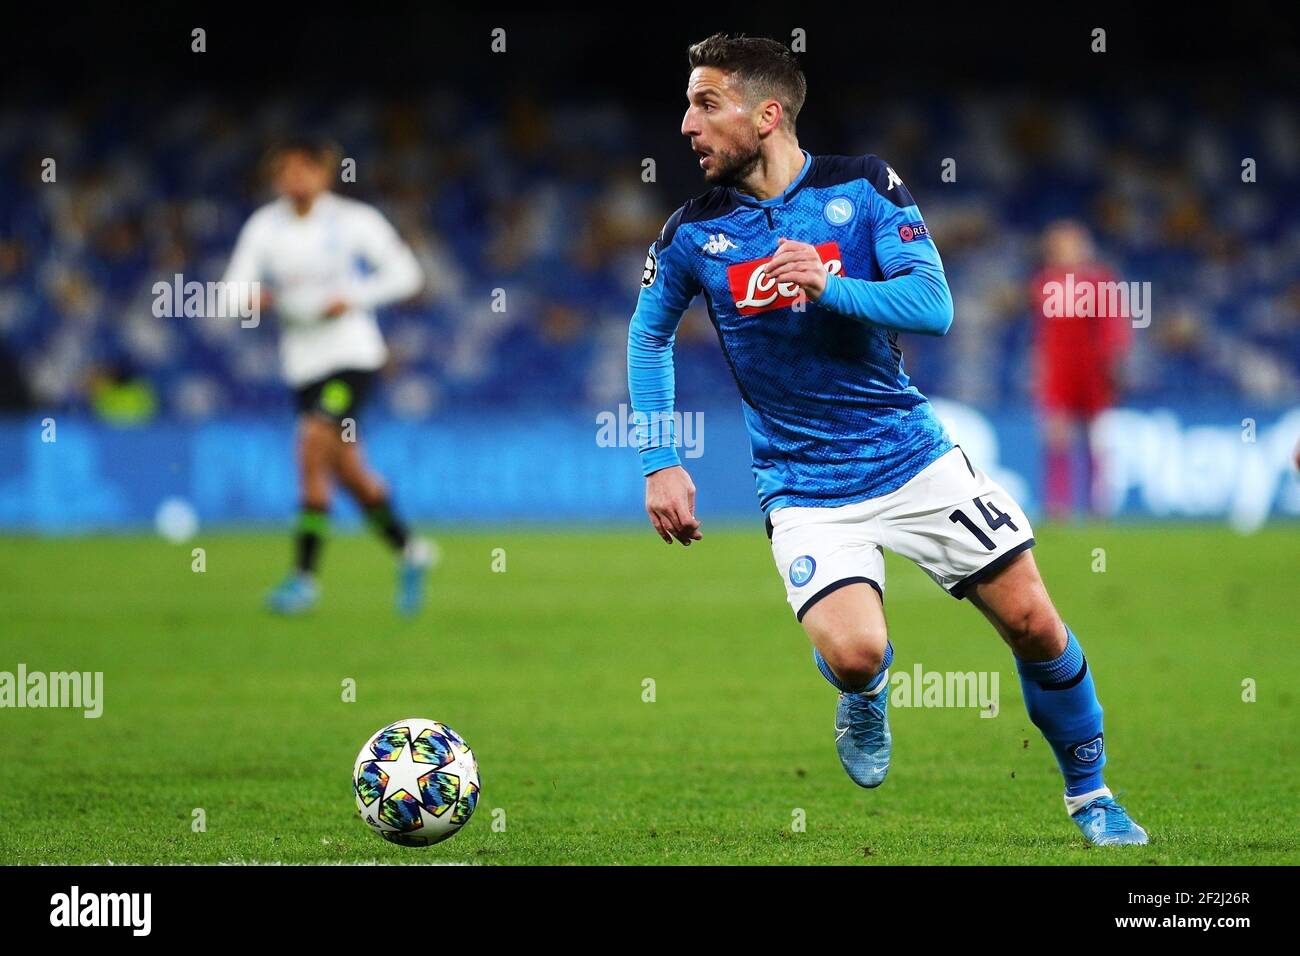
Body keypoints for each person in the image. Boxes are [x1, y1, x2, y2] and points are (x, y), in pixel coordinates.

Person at [626, 34, 1147, 845]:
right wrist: (661, 459)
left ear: (767, 114)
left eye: (705, 103)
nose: (687, 125)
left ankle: (1092, 795)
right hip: (803, 485)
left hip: (913, 458)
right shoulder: (694, 232)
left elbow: (932, 306)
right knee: (860, 652)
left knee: (1037, 625)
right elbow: (647, 335)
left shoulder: (864, 187)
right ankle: (861, 695)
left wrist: (831, 286)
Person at [223, 137, 433, 616]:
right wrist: (251, 299)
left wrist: (354, 296)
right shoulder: (264, 228)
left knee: (312, 444)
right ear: (276, 177)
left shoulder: (354, 220)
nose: (296, 180)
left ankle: (304, 579)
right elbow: (229, 291)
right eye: (287, 171)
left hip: (352, 357)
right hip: (302, 365)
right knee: (348, 472)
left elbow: (407, 275)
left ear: (325, 175)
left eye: (305, 170)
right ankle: (410, 550)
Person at [1029, 220, 1131, 518]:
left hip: (1093, 372)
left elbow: (1115, 326)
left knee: (1096, 441)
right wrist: (1040, 369)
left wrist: (1114, 362)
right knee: (1057, 438)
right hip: (1059, 372)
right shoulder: (1045, 283)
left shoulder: (1101, 281)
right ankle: (1058, 506)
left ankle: (1098, 506)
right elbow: (1042, 333)